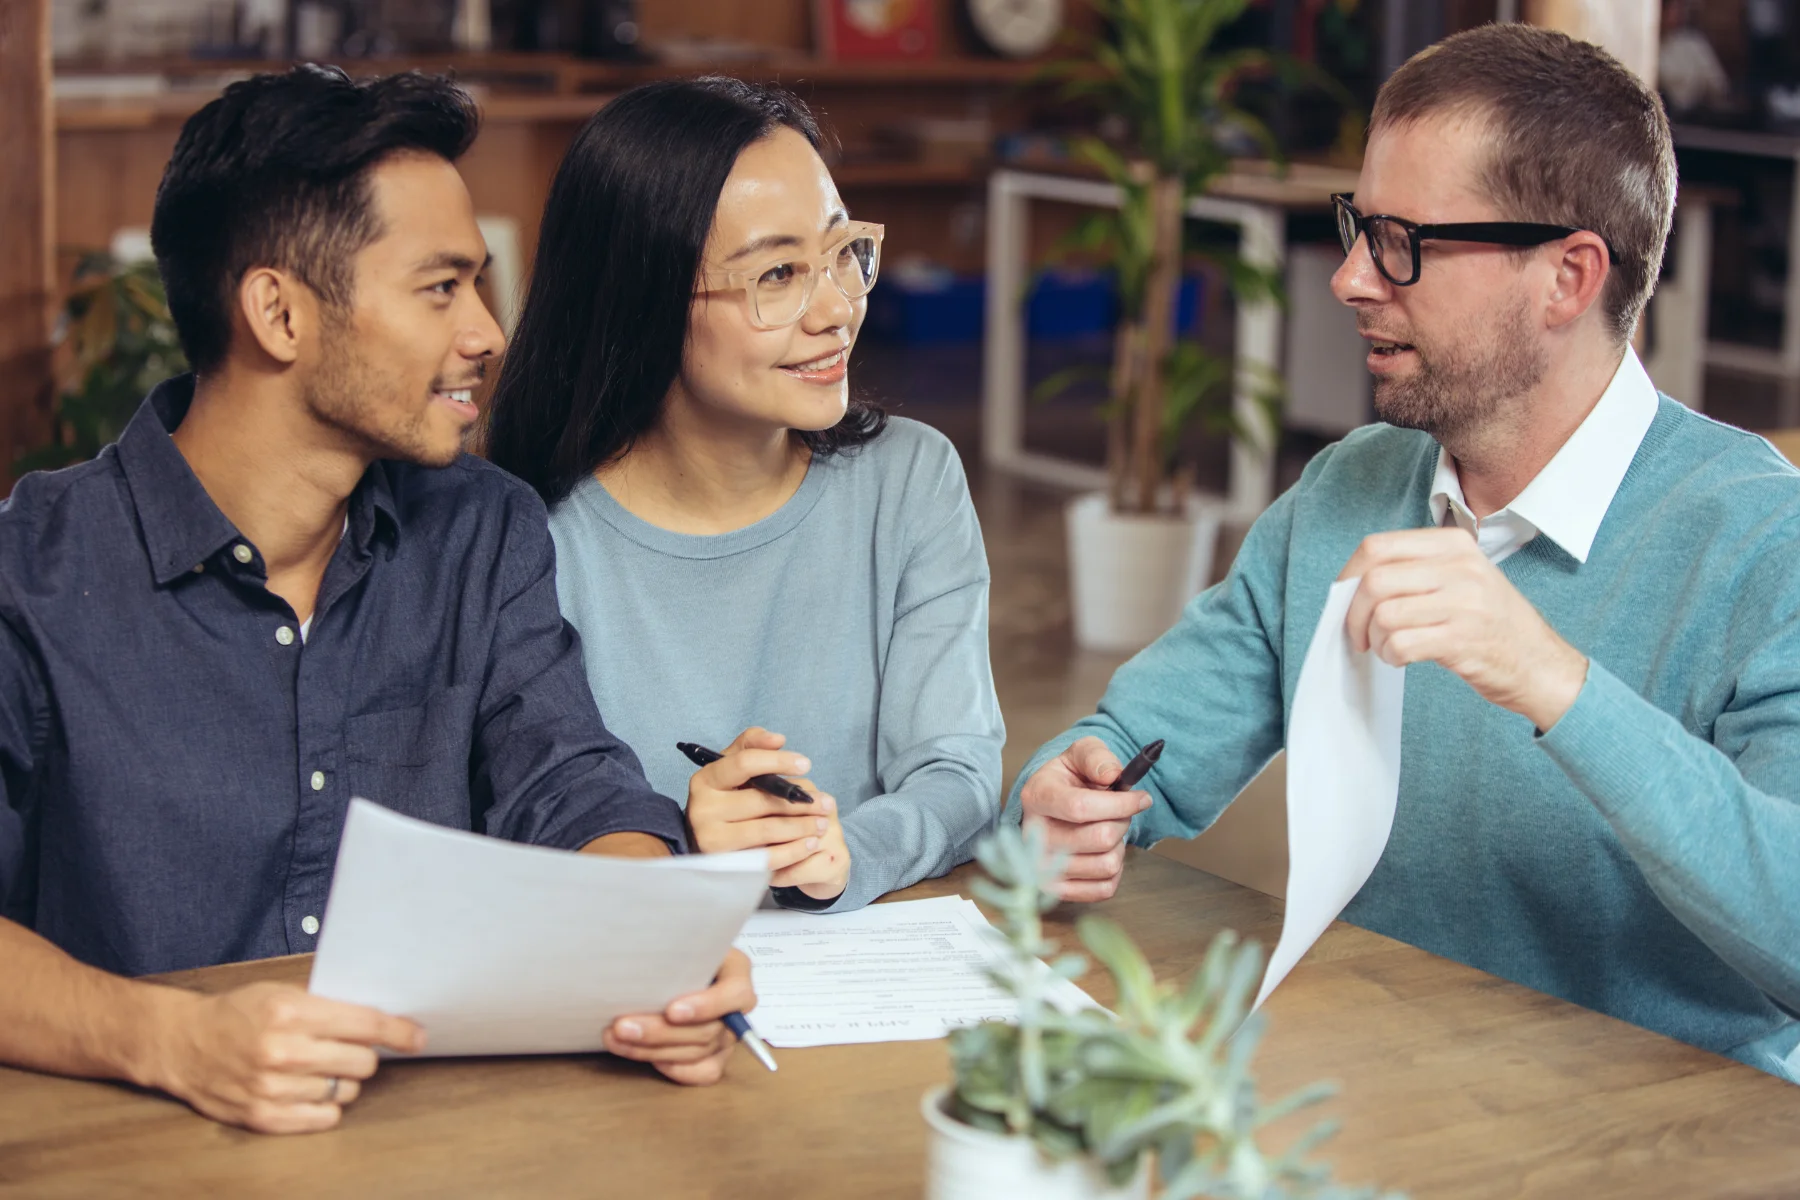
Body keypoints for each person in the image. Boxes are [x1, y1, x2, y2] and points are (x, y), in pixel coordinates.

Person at [1009, 23, 1800, 1081]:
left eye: (1401, 242)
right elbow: (1129, 746)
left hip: (1661, 1135)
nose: (1349, 278)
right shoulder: (1351, 488)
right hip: (1380, 1098)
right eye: (1358, 226)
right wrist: (1063, 799)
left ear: (1568, 278)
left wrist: (1554, 681)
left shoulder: (1765, 543)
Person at [0, 66, 753, 1134]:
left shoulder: (480, 528)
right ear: (278, 313)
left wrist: (654, 944)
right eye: (441, 288)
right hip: (133, 1147)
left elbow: (571, 782)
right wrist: (171, 1041)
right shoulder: (31, 573)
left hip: (437, 1136)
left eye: (479, 285)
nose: (488, 333)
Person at [484, 78, 1005, 913]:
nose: (835, 309)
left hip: (862, 959)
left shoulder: (910, 480)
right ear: (644, 300)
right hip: (643, 966)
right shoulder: (524, 535)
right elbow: (510, 832)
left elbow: (958, 769)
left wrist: (845, 855)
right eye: (778, 273)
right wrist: (684, 849)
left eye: (842, 253)